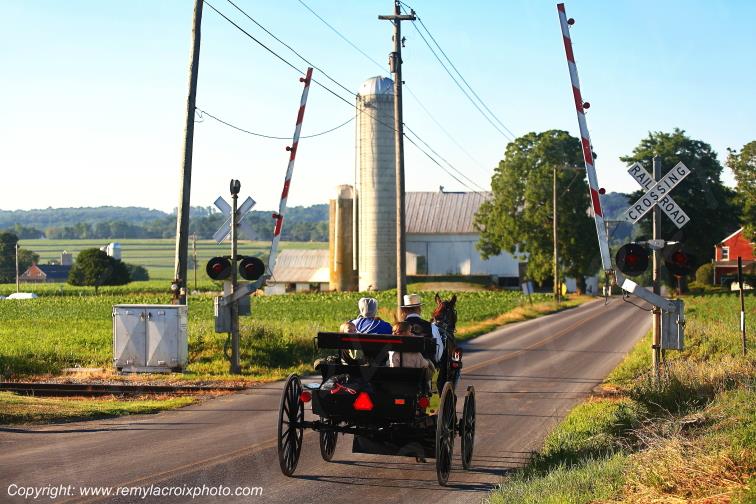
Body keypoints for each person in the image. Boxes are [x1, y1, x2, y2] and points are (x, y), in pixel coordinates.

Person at [399, 293, 444, 365]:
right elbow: (438, 353)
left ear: (404, 310)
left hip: (401, 365)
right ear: (419, 309)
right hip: (425, 368)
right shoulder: (432, 327)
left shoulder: (398, 328)